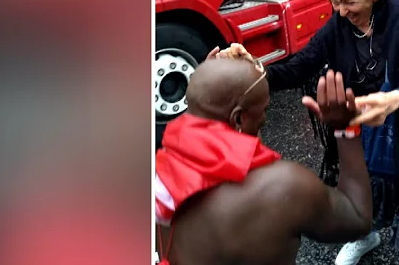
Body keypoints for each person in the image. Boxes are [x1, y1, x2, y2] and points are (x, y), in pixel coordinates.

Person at [211, 0, 399, 265]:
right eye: (335, 2)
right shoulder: (338, 25)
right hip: (358, 126)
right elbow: (299, 67)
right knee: (359, 186)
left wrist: (396, 98)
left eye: (349, 1)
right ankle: (365, 235)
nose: (340, 11)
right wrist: (253, 70)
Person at [154, 57, 373, 265]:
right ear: (238, 118)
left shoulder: (160, 174)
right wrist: (346, 128)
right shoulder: (283, 186)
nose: (265, 119)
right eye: (264, 110)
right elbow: (358, 218)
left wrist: (214, 81)